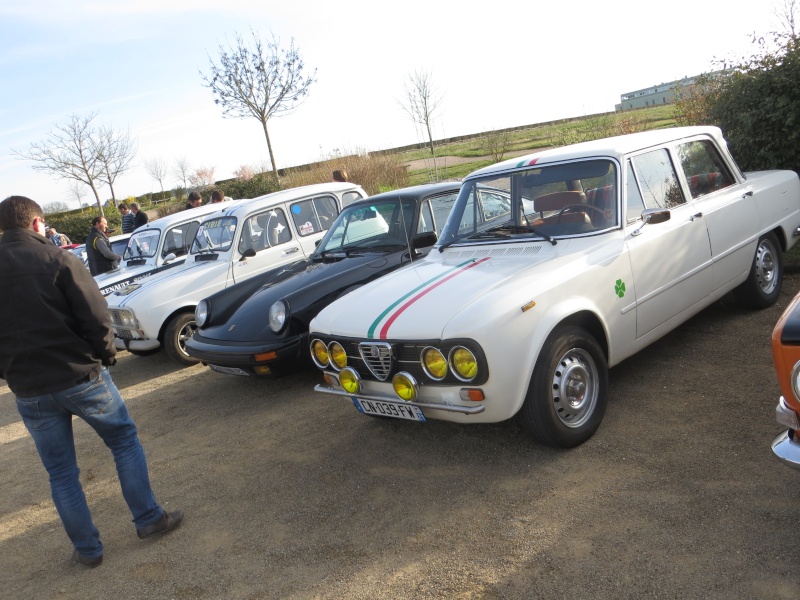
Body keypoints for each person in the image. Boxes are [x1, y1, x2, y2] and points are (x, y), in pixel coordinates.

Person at [0, 195, 183, 568]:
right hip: (80, 374)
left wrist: (9, 373)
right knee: (124, 442)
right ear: (37, 224)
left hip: (30, 387)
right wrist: (105, 355)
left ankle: (87, 550)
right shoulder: (58, 258)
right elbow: (96, 314)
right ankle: (148, 518)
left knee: (61, 473)